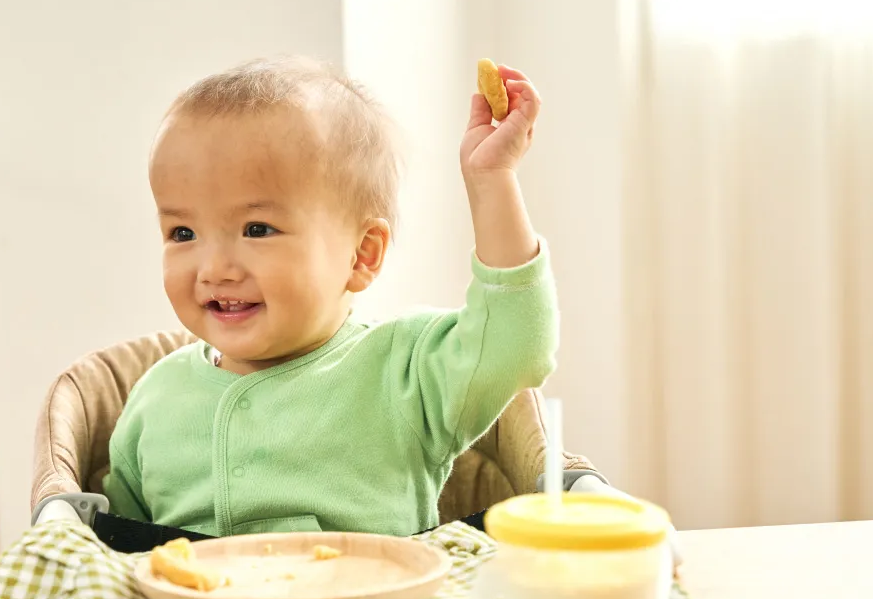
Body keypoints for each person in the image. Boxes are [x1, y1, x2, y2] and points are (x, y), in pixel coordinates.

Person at [103, 55, 569, 538]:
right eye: (182, 232)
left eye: (256, 229)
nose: (215, 268)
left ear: (361, 256)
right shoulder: (154, 398)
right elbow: (116, 553)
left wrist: (491, 180)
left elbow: (517, 344)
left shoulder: (404, 370)